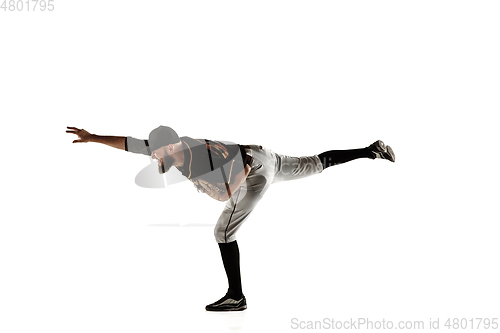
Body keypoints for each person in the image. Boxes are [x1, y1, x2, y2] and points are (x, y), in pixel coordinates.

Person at [66, 125, 395, 311]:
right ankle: (371, 150)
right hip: (264, 154)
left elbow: (224, 191)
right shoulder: (173, 148)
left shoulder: (194, 160)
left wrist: (244, 172)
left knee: (223, 232)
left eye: (156, 153)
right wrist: (92, 136)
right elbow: (130, 144)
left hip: (254, 171)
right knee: (316, 163)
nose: (152, 157)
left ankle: (236, 296)